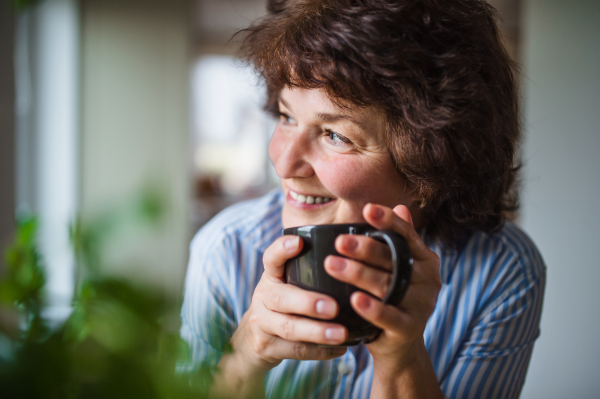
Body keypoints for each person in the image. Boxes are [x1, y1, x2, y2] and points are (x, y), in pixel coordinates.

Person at [180, 0, 546, 398]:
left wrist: (402, 358)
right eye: (286, 117)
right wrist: (245, 356)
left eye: (335, 135)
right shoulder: (225, 249)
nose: (283, 163)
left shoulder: (502, 270)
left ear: (430, 166)